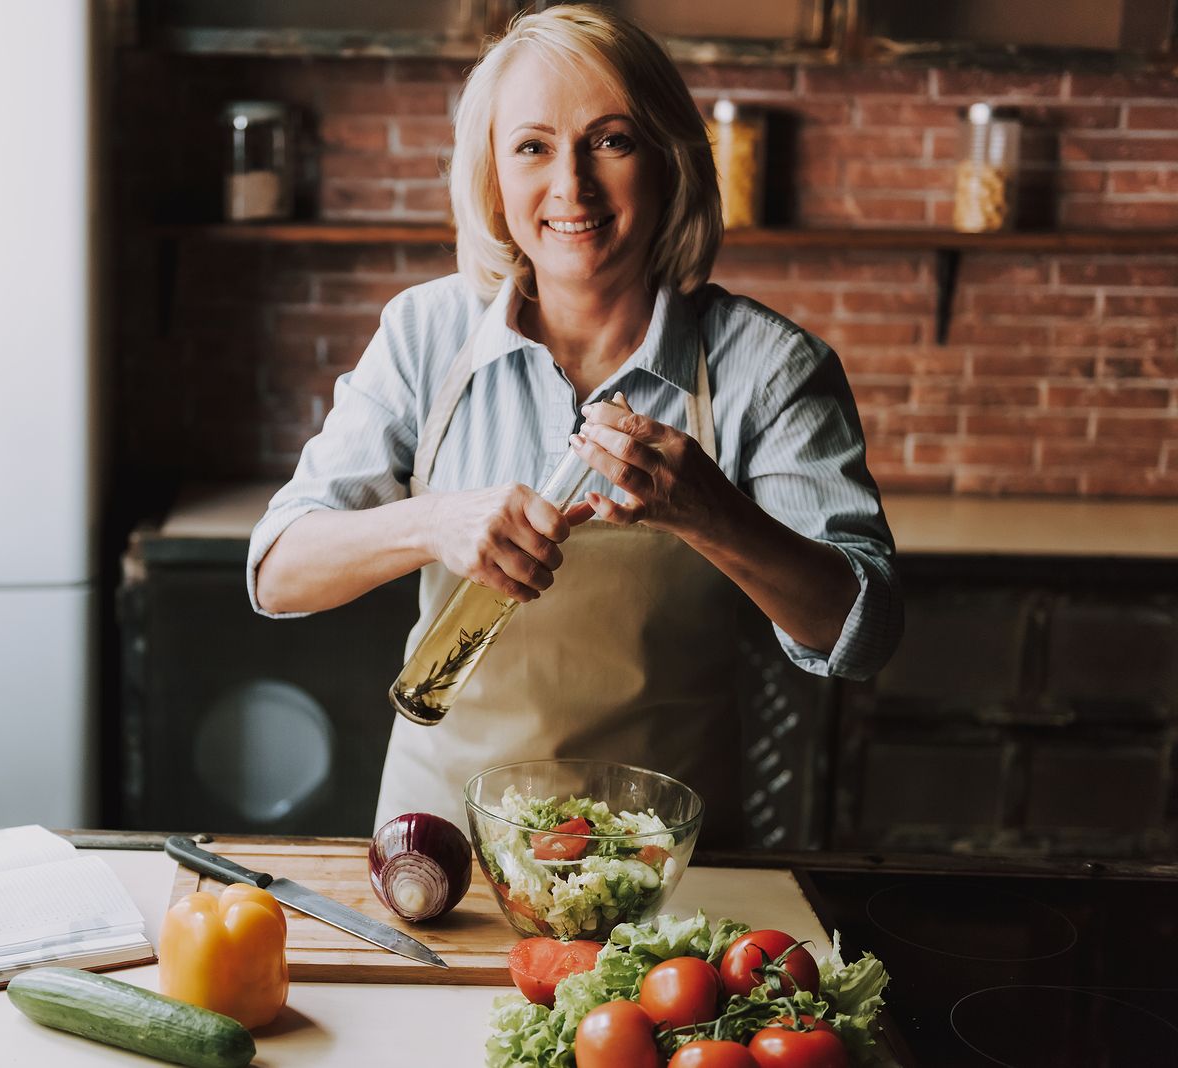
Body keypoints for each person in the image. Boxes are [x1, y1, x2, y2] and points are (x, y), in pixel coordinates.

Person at [246, 4, 901, 847]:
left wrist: (713, 512)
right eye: (533, 147)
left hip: (662, 871)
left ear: (669, 162)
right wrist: (434, 522)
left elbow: (865, 630)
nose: (571, 186)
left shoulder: (768, 367)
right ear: (492, 175)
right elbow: (277, 571)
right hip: (444, 853)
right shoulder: (425, 335)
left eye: (611, 140)